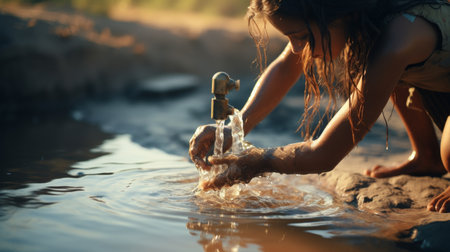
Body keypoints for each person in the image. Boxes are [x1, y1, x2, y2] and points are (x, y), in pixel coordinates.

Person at [189, 0, 450, 213]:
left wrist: (256, 162)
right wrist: (236, 127)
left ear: (335, 15)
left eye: (300, 36)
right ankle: (426, 156)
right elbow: (286, 66)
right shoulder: (365, 16)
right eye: (289, 38)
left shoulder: (400, 37)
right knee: (382, 72)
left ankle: (440, 155)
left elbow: (324, 154)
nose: (296, 47)